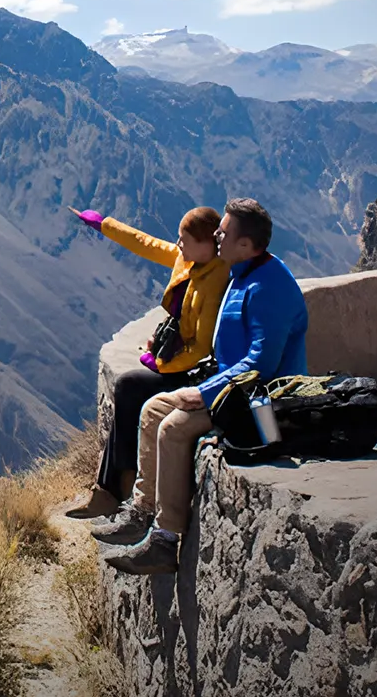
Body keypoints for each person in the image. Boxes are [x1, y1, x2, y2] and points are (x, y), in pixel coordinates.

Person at [94, 198, 309, 576]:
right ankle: (142, 511)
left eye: (223, 233)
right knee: (153, 409)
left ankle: (165, 539)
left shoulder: (268, 287)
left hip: (259, 403)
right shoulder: (241, 273)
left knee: (174, 428)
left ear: (246, 244)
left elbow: (262, 364)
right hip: (230, 391)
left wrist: (205, 393)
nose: (217, 236)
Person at [63, 205, 229, 520]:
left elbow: (202, 347)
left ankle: (112, 488)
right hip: (177, 362)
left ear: (208, 243)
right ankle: (111, 487)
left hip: (196, 374)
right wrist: (104, 225)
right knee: (127, 388)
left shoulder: (216, 279)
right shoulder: (189, 259)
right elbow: (148, 244)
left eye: (185, 239)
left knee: (130, 387)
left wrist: (161, 363)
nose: (178, 244)